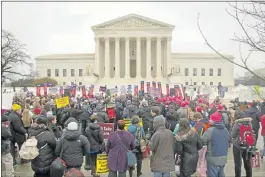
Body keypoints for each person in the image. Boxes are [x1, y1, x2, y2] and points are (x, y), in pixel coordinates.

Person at [201, 111, 230, 177]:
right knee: (221, 173)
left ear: (214, 121)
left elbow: (202, 140)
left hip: (213, 158)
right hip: (223, 157)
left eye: (211, 119)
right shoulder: (225, 130)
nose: (209, 120)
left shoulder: (210, 130)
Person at [231, 111, 252, 177]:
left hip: (237, 146)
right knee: (247, 163)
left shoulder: (236, 124)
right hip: (247, 145)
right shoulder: (249, 123)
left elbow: (233, 135)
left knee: (238, 164)